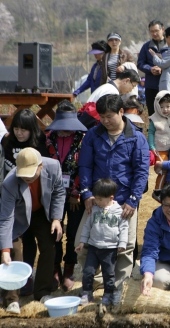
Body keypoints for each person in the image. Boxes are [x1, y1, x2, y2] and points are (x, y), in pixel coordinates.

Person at [76, 94, 149, 296]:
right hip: (96, 200)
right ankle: (97, 282)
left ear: (121, 112)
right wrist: (87, 193)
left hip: (124, 200)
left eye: (109, 116)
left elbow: (141, 172)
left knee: (124, 248)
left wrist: (133, 200)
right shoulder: (92, 135)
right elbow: (85, 166)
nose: (105, 121)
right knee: (81, 245)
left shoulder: (136, 138)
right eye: (102, 117)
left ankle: (119, 289)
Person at [0, 148, 65, 313]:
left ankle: (42, 291)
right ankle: (11, 300)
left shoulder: (54, 166)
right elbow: (6, 218)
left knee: (49, 246)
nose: (27, 177)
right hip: (17, 217)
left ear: (41, 166)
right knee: (13, 255)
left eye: (31, 173)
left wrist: (57, 219)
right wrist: (5, 250)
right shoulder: (9, 183)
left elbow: (59, 192)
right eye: (24, 174)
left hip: (41, 213)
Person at [2, 108, 51, 293]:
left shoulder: (39, 144)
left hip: (36, 201)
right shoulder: (8, 143)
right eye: (16, 129)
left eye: (24, 129)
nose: (19, 133)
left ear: (32, 129)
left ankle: (35, 278)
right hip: (13, 200)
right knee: (20, 240)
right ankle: (21, 278)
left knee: (38, 240)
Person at [44, 100, 88, 292]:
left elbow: (85, 167)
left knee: (73, 233)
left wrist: (76, 193)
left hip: (75, 195)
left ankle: (69, 268)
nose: (64, 131)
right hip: (53, 193)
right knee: (55, 232)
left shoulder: (83, 138)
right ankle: (55, 268)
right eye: (61, 127)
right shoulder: (48, 139)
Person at [75, 178, 128, 306]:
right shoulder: (94, 209)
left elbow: (124, 228)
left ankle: (108, 294)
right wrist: (82, 241)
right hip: (93, 247)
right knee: (88, 272)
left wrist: (122, 243)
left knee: (108, 273)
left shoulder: (119, 211)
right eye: (96, 198)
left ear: (110, 197)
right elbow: (87, 226)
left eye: (100, 199)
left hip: (109, 249)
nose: (97, 202)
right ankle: (87, 292)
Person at [148, 91, 170, 196]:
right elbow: (151, 132)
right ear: (157, 106)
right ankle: (158, 190)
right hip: (161, 149)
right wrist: (151, 146)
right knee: (163, 170)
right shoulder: (154, 118)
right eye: (162, 107)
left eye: (168, 106)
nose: (165, 109)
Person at [137, 20, 167, 116]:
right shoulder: (146, 46)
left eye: (156, 30)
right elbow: (140, 63)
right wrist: (150, 69)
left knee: (167, 113)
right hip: (151, 86)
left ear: (162, 29)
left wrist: (162, 69)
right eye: (151, 31)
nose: (154, 33)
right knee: (153, 114)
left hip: (166, 85)